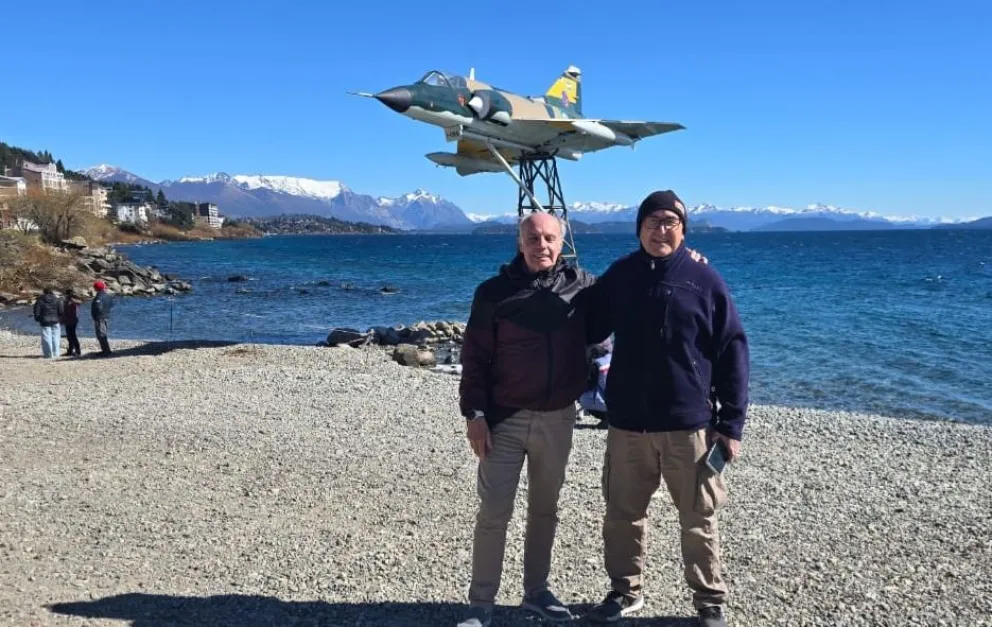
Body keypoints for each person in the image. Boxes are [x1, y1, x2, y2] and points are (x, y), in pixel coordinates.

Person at [584, 190, 750, 627]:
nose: (661, 229)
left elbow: (733, 348)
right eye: (653, 221)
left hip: (688, 424)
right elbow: (588, 325)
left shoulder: (704, 279)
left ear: (683, 230)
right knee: (622, 515)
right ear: (638, 228)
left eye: (670, 222)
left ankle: (708, 600)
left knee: (698, 518)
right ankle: (625, 591)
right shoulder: (619, 276)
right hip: (628, 426)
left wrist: (730, 424)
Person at [456, 211, 596, 627]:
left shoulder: (583, 288)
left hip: (558, 418)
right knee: (494, 511)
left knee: (545, 510)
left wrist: (683, 259)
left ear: (562, 242)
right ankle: (481, 604)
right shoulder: (493, 293)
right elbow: (474, 359)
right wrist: (475, 415)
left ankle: (536, 592)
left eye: (550, 238)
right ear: (520, 243)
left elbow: (633, 293)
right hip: (504, 419)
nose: (542, 246)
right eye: (533, 238)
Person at [33, 287, 64, 360]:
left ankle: (48, 354)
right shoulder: (57, 300)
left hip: (44, 320)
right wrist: (59, 317)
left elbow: (36, 311)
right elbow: (61, 311)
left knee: (46, 337)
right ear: (52, 292)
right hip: (55, 320)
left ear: (44, 292)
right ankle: (56, 353)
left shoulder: (40, 300)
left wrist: (37, 319)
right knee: (56, 337)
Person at [91, 281, 114, 355]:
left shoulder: (99, 297)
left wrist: (96, 316)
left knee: (101, 334)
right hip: (106, 316)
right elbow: (111, 305)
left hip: (100, 317)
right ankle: (105, 350)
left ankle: (106, 351)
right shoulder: (108, 296)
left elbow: (98, 308)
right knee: (102, 333)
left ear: (96, 288)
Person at [61, 288, 81, 357]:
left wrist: (72, 300)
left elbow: (79, 304)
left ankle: (77, 351)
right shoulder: (66, 301)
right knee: (70, 336)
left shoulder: (72, 301)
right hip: (70, 320)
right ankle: (71, 350)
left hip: (72, 320)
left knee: (72, 335)